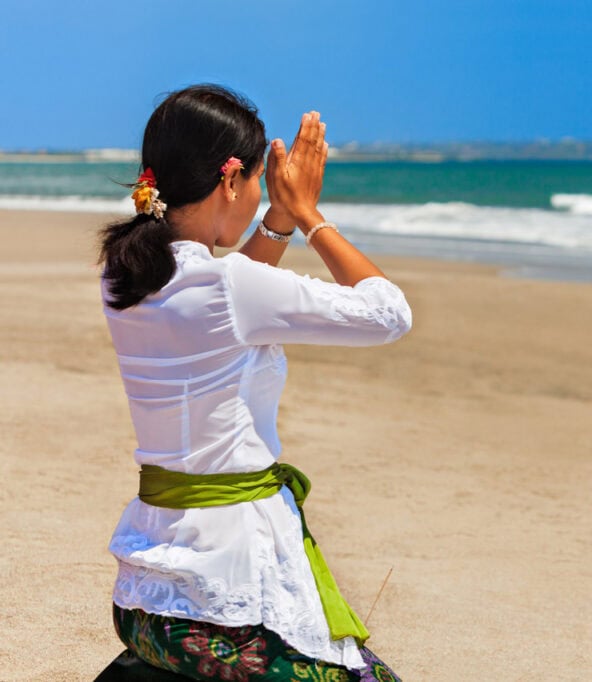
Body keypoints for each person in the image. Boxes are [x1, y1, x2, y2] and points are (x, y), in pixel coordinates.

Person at [96, 84, 410, 681]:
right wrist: (312, 216)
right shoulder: (229, 287)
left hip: (146, 598)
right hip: (224, 603)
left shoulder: (125, 273)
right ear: (232, 178)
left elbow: (225, 309)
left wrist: (277, 220)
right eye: (261, 181)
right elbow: (390, 313)